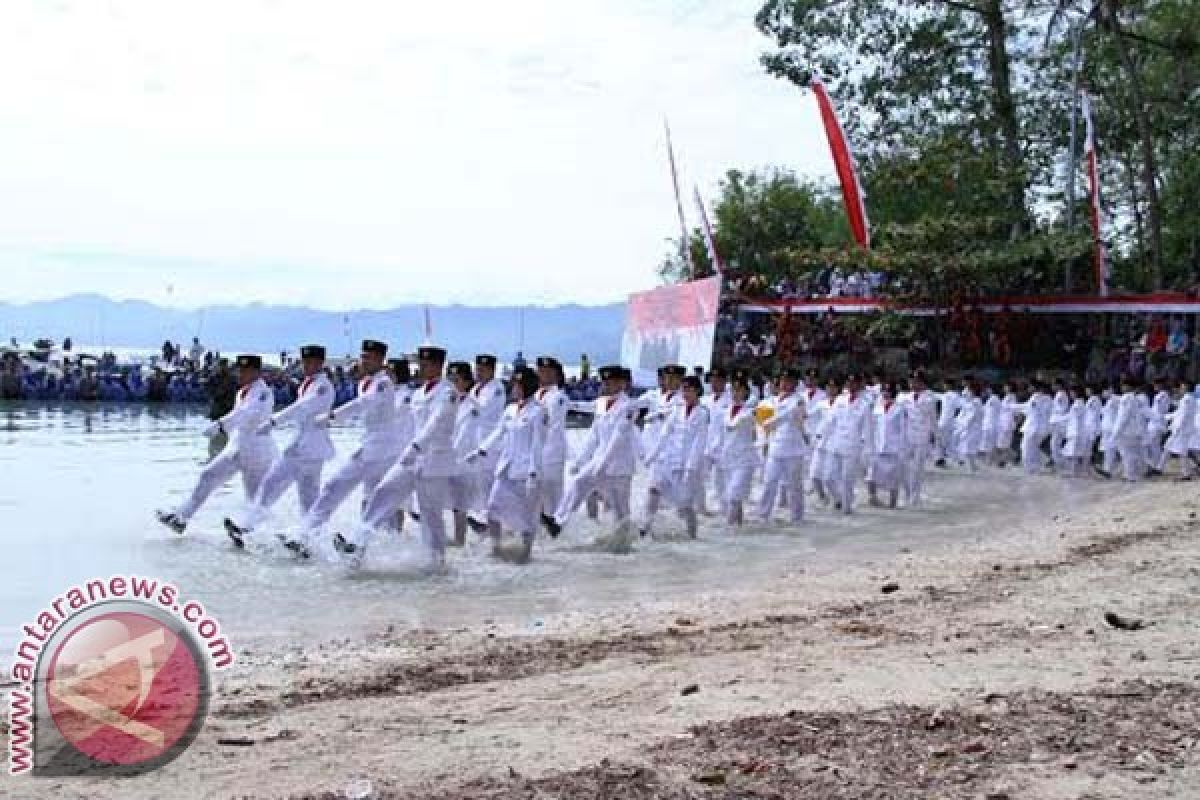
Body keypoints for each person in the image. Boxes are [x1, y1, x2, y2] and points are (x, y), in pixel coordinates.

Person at [284, 340, 399, 556]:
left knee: (336, 486)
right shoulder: (368, 381)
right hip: (374, 446)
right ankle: (362, 551)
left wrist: (332, 416)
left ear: (381, 360)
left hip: (378, 448)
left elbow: (363, 404)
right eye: (362, 356)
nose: (363, 361)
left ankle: (306, 536)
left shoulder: (383, 383)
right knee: (371, 500)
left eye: (369, 357)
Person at [351, 345, 458, 570]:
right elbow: (409, 424)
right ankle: (358, 542)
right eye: (421, 363)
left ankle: (436, 563)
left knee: (431, 516)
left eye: (426, 364)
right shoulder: (418, 393)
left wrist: (416, 446)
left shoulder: (448, 393)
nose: (422, 367)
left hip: (434, 460)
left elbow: (435, 423)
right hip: (411, 457)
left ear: (439, 366)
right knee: (383, 491)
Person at [223, 345, 335, 546]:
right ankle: (308, 541)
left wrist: (275, 421)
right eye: (304, 361)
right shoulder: (310, 383)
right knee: (307, 498)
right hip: (306, 446)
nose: (306, 365)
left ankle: (248, 528)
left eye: (310, 362)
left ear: (320, 363)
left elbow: (302, 407)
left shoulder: (322, 386)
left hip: (307, 447)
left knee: (272, 485)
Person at [156, 355, 278, 534]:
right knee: (208, 476)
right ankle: (181, 518)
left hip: (257, 453)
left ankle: (255, 532)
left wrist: (221, 425)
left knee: (254, 498)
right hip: (237, 448)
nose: (241, 373)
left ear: (257, 372)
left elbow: (246, 414)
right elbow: (239, 418)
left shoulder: (263, 393)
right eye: (240, 370)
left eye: (246, 370)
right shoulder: (242, 391)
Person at [541, 366, 638, 537]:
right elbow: (594, 435)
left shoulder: (629, 407)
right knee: (579, 482)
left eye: (611, 382)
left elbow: (618, 438)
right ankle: (558, 522)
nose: (606, 385)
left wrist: (603, 463)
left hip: (619, 466)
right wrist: (580, 460)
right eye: (605, 382)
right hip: (599, 460)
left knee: (620, 509)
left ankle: (628, 541)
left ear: (622, 384)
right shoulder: (601, 403)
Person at [465, 366, 545, 562]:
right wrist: (481, 449)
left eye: (517, 385)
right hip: (506, 468)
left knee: (527, 514)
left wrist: (534, 473)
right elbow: (498, 432)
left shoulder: (538, 412)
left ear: (527, 387)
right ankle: (496, 548)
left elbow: (537, 444)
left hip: (525, 471)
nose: (513, 389)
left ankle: (526, 553)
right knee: (493, 508)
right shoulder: (510, 409)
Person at [640, 375, 709, 538]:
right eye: (684, 389)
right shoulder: (677, 409)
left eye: (690, 389)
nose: (686, 393)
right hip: (669, 461)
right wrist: (652, 455)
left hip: (687, 466)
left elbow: (699, 442)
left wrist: (690, 468)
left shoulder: (702, 413)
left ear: (697, 391)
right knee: (653, 490)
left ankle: (693, 535)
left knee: (684, 505)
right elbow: (665, 435)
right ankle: (645, 527)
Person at [755, 367, 808, 525]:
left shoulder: (798, 401)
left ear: (795, 384)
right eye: (783, 381)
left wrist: (767, 422)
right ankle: (763, 515)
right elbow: (759, 420)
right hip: (775, 447)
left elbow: (785, 416)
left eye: (789, 381)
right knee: (769, 481)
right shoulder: (771, 400)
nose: (784, 384)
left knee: (795, 486)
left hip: (793, 449)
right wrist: (762, 441)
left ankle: (797, 517)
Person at [828, 374, 873, 514]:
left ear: (860, 386)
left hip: (853, 444)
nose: (852, 386)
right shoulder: (840, 400)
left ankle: (847, 508)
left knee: (847, 478)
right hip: (836, 442)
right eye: (849, 383)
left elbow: (867, 429)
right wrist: (819, 435)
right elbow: (830, 420)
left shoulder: (865, 404)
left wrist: (867, 449)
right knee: (829, 477)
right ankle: (840, 498)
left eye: (855, 383)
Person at [719, 377, 759, 527]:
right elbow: (722, 433)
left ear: (746, 392)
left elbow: (735, 425)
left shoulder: (750, 412)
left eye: (739, 390)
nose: (736, 393)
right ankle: (739, 528)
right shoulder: (725, 410)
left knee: (734, 495)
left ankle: (728, 529)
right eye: (733, 390)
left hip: (745, 459)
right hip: (729, 457)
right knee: (735, 496)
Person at [534, 356, 570, 518]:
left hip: (552, 452)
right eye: (540, 371)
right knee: (537, 496)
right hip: (536, 452)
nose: (543, 375)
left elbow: (550, 424)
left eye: (548, 372)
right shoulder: (535, 394)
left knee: (553, 497)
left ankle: (557, 529)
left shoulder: (559, 397)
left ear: (557, 375)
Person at [869, 383, 908, 508]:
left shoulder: (899, 408)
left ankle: (893, 503)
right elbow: (873, 426)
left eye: (888, 391)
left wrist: (902, 448)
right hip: (878, 445)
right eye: (883, 391)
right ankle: (873, 497)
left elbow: (903, 429)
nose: (885, 393)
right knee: (871, 475)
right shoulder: (877, 407)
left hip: (893, 447)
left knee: (893, 476)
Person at [902, 371, 938, 506]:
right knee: (905, 466)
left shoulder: (929, 398)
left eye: (915, 381)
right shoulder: (906, 398)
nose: (912, 384)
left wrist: (935, 435)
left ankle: (914, 495)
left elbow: (933, 418)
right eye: (911, 381)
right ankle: (907, 492)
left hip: (922, 436)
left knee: (917, 468)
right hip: (908, 435)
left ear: (922, 382)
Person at [701, 367, 732, 516]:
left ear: (725, 382)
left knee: (721, 482)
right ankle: (700, 508)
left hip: (723, 446)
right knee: (699, 477)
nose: (714, 383)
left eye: (718, 380)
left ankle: (725, 512)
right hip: (705, 445)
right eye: (712, 380)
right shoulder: (704, 400)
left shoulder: (731, 400)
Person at [1112, 377, 1147, 482]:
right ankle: (1137, 472)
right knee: (1135, 452)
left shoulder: (1126, 398)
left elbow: (1123, 417)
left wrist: (1116, 431)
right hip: (1136, 430)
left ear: (1127, 386)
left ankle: (1130, 475)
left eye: (1123, 385)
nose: (1122, 387)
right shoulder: (1134, 398)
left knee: (1126, 453)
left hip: (1126, 431)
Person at [1159, 380, 1195, 480]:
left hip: (1182, 430)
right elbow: (1178, 413)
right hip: (1181, 429)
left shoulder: (1187, 399)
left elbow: (1183, 416)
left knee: (1182, 451)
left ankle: (1186, 474)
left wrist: (1176, 429)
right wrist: (1166, 417)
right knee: (1168, 446)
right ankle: (1159, 468)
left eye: (1182, 387)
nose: (1180, 389)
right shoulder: (1186, 399)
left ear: (1187, 388)